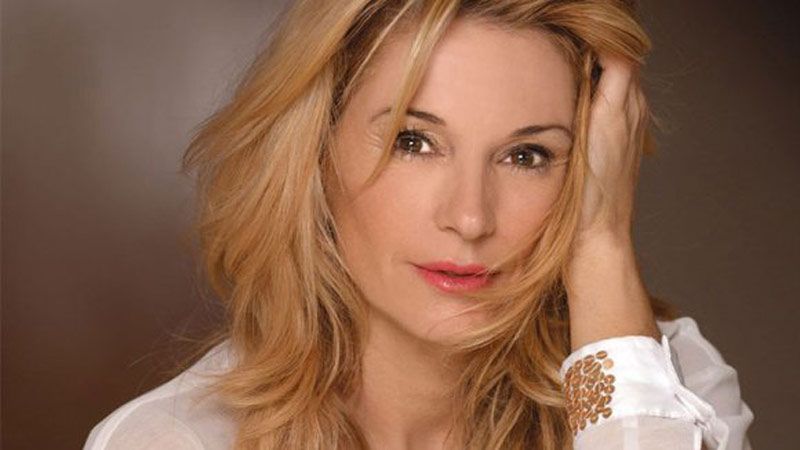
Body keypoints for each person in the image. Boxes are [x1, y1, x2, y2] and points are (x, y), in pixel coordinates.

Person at [84, 0, 754, 449]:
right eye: (415, 142)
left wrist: (602, 245)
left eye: (527, 156)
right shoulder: (177, 440)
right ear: (315, 153)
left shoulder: (666, 388)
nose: (470, 217)